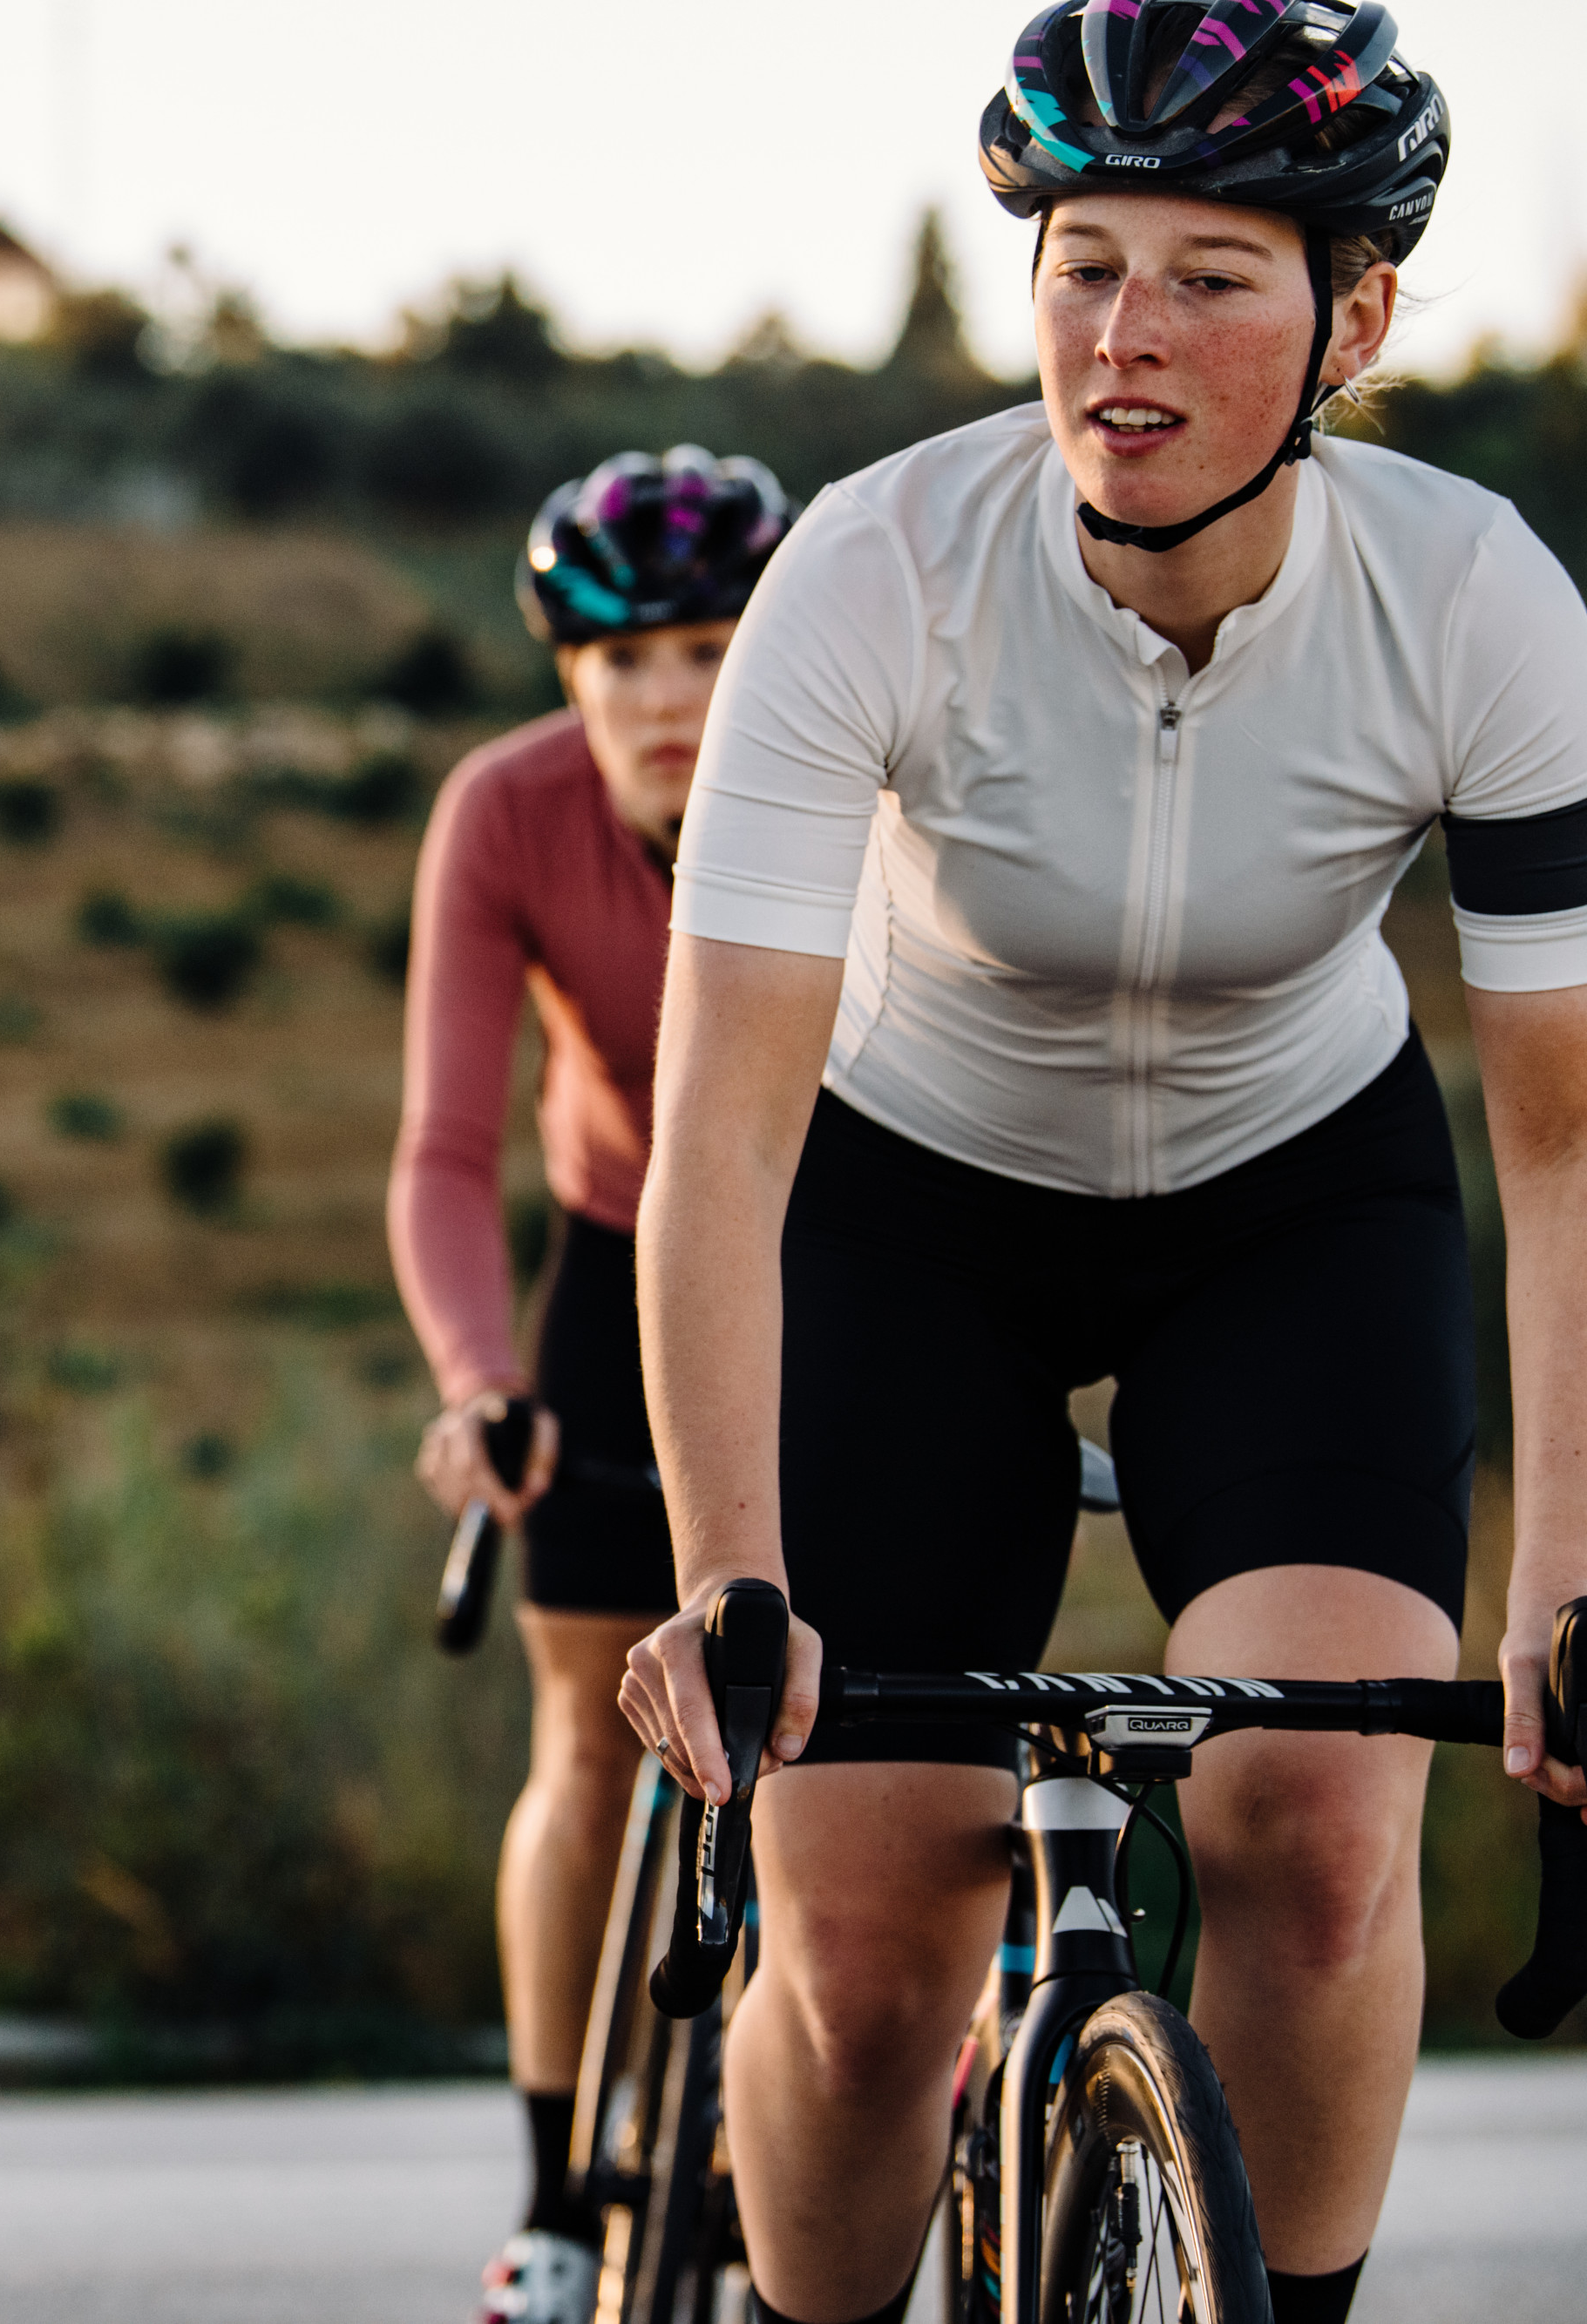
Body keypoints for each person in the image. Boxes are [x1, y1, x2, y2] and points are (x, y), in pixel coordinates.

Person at [621, 8, 1587, 2322]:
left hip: (1293, 1198)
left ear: (1354, 317)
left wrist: (1568, 1582)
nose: (1121, 334)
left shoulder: (1475, 602)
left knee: (1320, 1839)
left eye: (1209, 277)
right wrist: (727, 1568)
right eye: (1079, 265)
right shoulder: (875, 568)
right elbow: (723, 1124)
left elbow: (1562, 1140)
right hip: (904, 1195)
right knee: (863, 1950)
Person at [387, 446, 791, 2323]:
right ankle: (556, 2195)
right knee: (584, 1730)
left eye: (708, 648)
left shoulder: (848, 785)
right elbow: (444, 1150)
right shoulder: (507, 810)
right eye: (622, 659)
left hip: (841, 1254)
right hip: (619, 1262)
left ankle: (820, 2105)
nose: (666, 698)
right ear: (569, 671)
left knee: (829, 1739)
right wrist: (483, 1385)